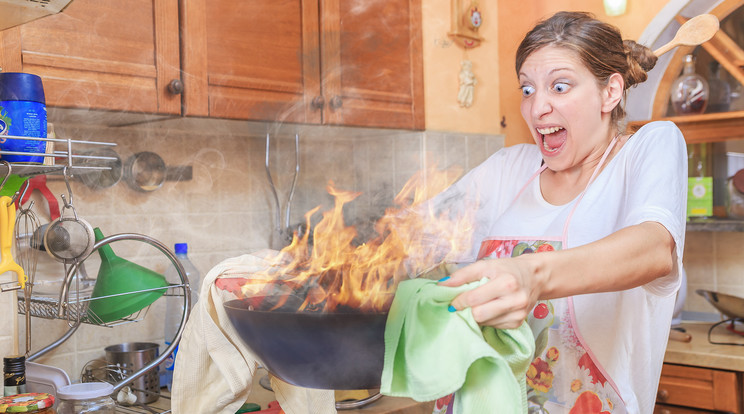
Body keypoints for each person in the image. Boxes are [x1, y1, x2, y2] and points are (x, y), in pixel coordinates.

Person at [427, 11, 687, 414]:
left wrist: (531, 275)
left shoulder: (647, 149)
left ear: (610, 92)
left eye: (560, 87)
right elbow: (415, 237)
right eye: (527, 90)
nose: (537, 108)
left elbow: (654, 249)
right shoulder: (509, 168)